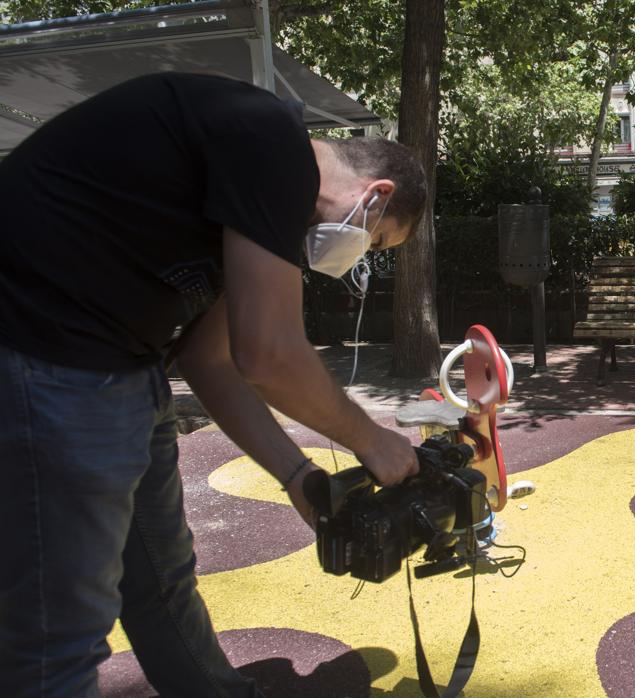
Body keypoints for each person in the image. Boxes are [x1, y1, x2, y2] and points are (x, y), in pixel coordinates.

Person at [0, 72, 424, 697]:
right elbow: (269, 355)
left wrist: (299, 478)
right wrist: (374, 441)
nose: (361, 254)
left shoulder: (254, 203)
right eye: (379, 239)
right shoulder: (271, 139)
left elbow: (211, 360)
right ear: (374, 193)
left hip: (120, 366)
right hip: (46, 353)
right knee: (55, 638)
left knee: (162, 578)